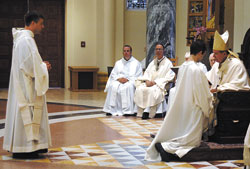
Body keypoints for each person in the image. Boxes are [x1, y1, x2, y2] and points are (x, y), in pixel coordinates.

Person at [145, 40, 213, 162]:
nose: (202, 57)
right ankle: (167, 150)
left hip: (183, 106)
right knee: (192, 141)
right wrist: (210, 100)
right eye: (203, 55)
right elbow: (202, 93)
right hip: (194, 107)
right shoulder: (197, 70)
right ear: (200, 53)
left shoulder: (183, 67)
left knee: (184, 133)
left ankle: (166, 147)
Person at [3, 11, 52, 159]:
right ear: (33, 23)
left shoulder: (24, 39)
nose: (42, 27)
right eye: (41, 24)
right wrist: (43, 67)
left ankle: (34, 146)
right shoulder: (25, 40)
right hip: (26, 87)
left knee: (31, 115)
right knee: (27, 114)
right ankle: (25, 148)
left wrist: (40, 65)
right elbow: (30, 66)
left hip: (26, 83)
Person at [134, 43, 175, 119]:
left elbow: (170, 76)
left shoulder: (168, 63)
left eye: (160, 49)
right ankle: (142, 111)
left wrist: (155, 82)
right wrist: (147, 81)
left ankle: (148, 111)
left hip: (160, 85)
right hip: (150, 83)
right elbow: (146, 73)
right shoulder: (152, 62)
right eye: (156, 49)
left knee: (153, 90)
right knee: (140, 88)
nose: (158, 51)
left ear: (163, 51)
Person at [103, 45, 142, 116]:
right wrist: (119, 79)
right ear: (122, 52)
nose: (126, 53)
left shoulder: (136, 63)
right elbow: (113, 74)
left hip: (130, 81)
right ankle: (111, 110)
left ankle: (127, 111)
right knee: (112, 86)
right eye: (124, 51)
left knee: (128, 87)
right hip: (119, 81)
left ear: (131, 52)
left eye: (128, 51)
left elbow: (138, 76)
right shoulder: (118, 63)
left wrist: (128, 79)